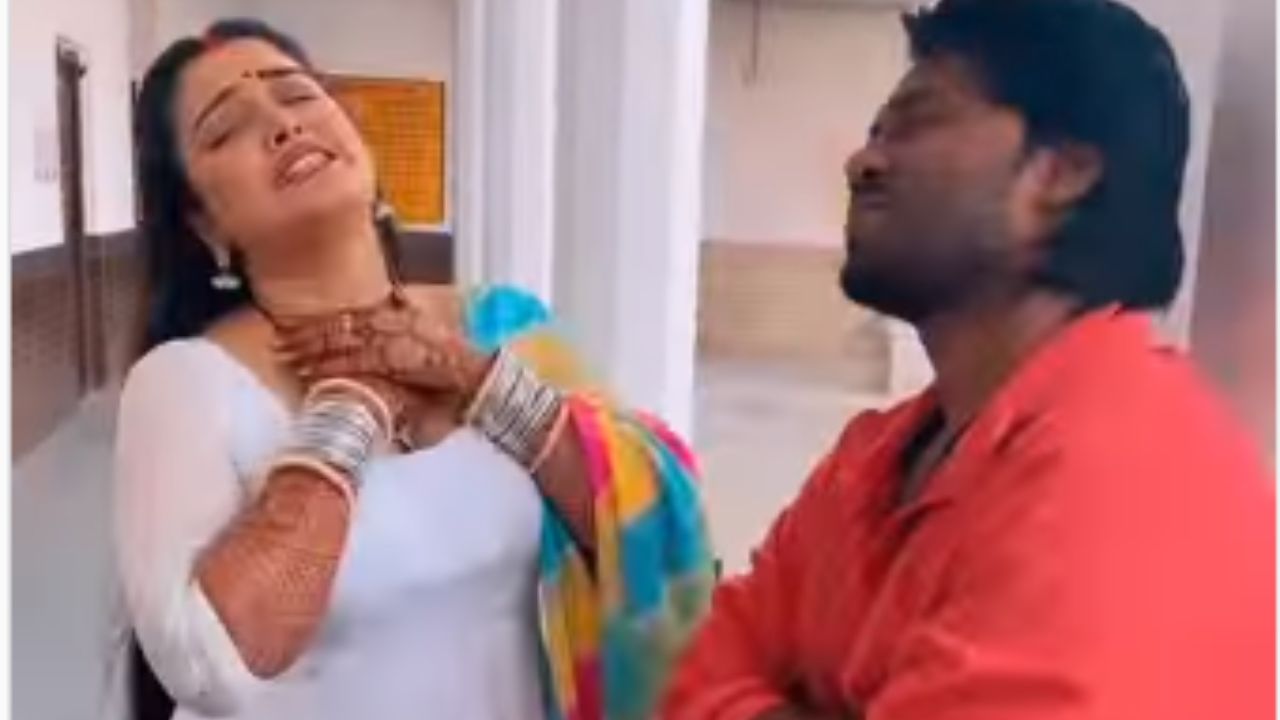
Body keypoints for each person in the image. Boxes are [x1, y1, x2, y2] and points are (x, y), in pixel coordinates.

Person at [661, 0, 1275, 718]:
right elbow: (699, 670)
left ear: (1059, 173)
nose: (863, 162)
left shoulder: (1129, 474)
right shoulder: (876, 459)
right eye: (875, 133)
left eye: (918, 122)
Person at [115, 18, 713, 720]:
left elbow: (645, 525)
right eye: (226, 129)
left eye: (298, 95)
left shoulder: (504, 329)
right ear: (204, 224)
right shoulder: (185, 383)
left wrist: (476, 379)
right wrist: (351, 407)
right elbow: (206, 662)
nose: (283, 125)